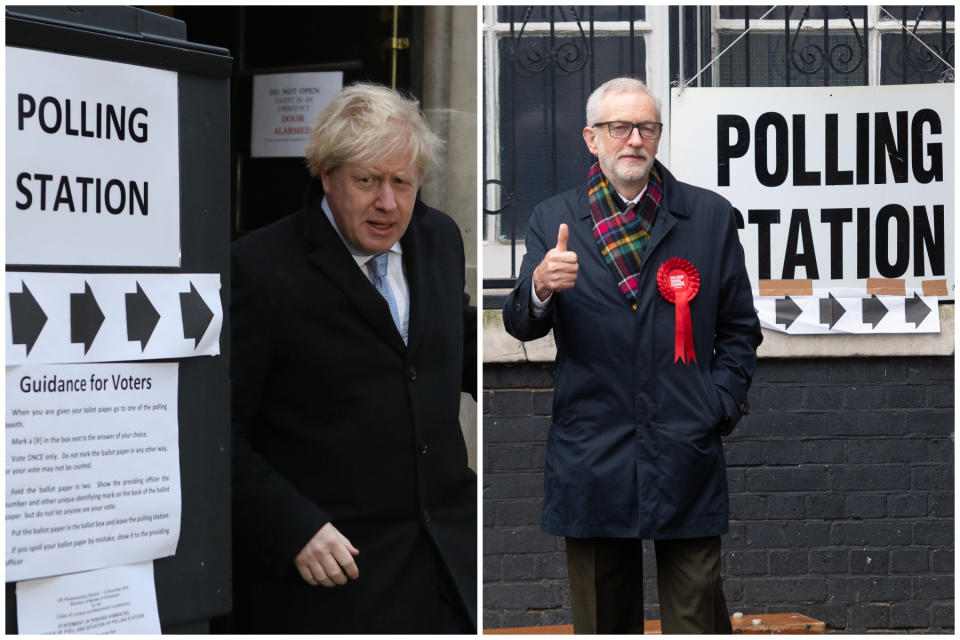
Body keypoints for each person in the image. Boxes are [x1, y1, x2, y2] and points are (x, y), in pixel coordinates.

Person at [502, 77, 762, 634]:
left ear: (658, 137)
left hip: (683, 443)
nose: (634, 140)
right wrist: (541, 285)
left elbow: (740, 328)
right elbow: (521, 323)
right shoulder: (554, 221)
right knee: (603, 617)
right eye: (619, 127)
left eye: (647, 127)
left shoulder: (709, 217)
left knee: (696, 613)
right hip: (593, 449)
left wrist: (718, 404)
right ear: (591, 138)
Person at [226, 83, 476, 634]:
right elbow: (215, 433)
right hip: (334, 579)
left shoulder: (439, 239)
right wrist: (291, 527)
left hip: (447, 568)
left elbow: (451, 348)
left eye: (402, 183)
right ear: (327, 177)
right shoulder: (258, 268)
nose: (388, 203)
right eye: (367, 181)